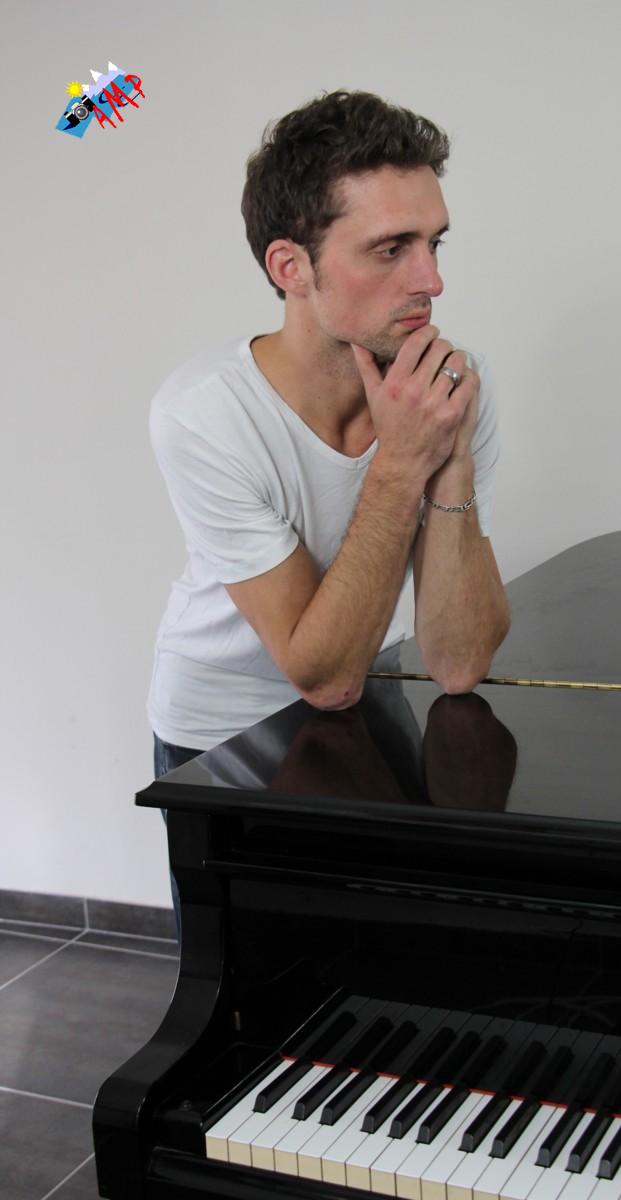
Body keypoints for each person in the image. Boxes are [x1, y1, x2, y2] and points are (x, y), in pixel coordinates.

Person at [148, 89, 511, 787]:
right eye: (390, 249)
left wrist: (451, 458)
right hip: (223, 734)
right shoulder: (203, 413)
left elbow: (460, 664)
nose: (432, 280)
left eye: (433, 243)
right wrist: (402, 463)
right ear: (291, 268)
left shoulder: (453, 386)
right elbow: (325, 678)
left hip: (373, 692)